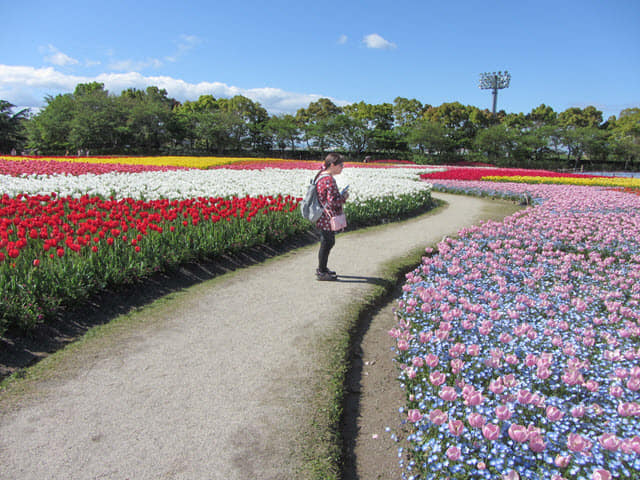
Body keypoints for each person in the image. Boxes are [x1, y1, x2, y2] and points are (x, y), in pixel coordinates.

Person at [314, 152, 349, 281]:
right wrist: (343, 197)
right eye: (341, 165)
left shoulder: (321, 176)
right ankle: (321, 271)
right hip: (326, 217)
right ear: (333, 165)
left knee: (327, 241)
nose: (342, 167)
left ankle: (322, 268)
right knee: (327, 242)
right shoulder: (328, 179)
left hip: (322, 215)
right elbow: (333, 200)